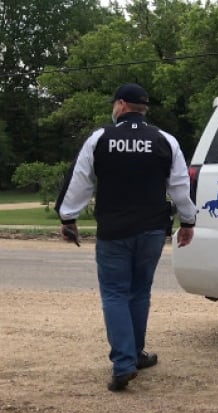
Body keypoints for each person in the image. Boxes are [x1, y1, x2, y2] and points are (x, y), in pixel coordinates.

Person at [55, 83, 197, 392]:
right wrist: (187, 221)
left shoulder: (100, 138)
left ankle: (123, 362)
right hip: (151, 231)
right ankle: (135, 354)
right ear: (143, 108)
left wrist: (68, 218)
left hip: (114, 230)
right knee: (139, 291)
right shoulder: (165, 140)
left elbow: (80, 182)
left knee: (115, 294)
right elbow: (180, 186)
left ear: (120, 105)